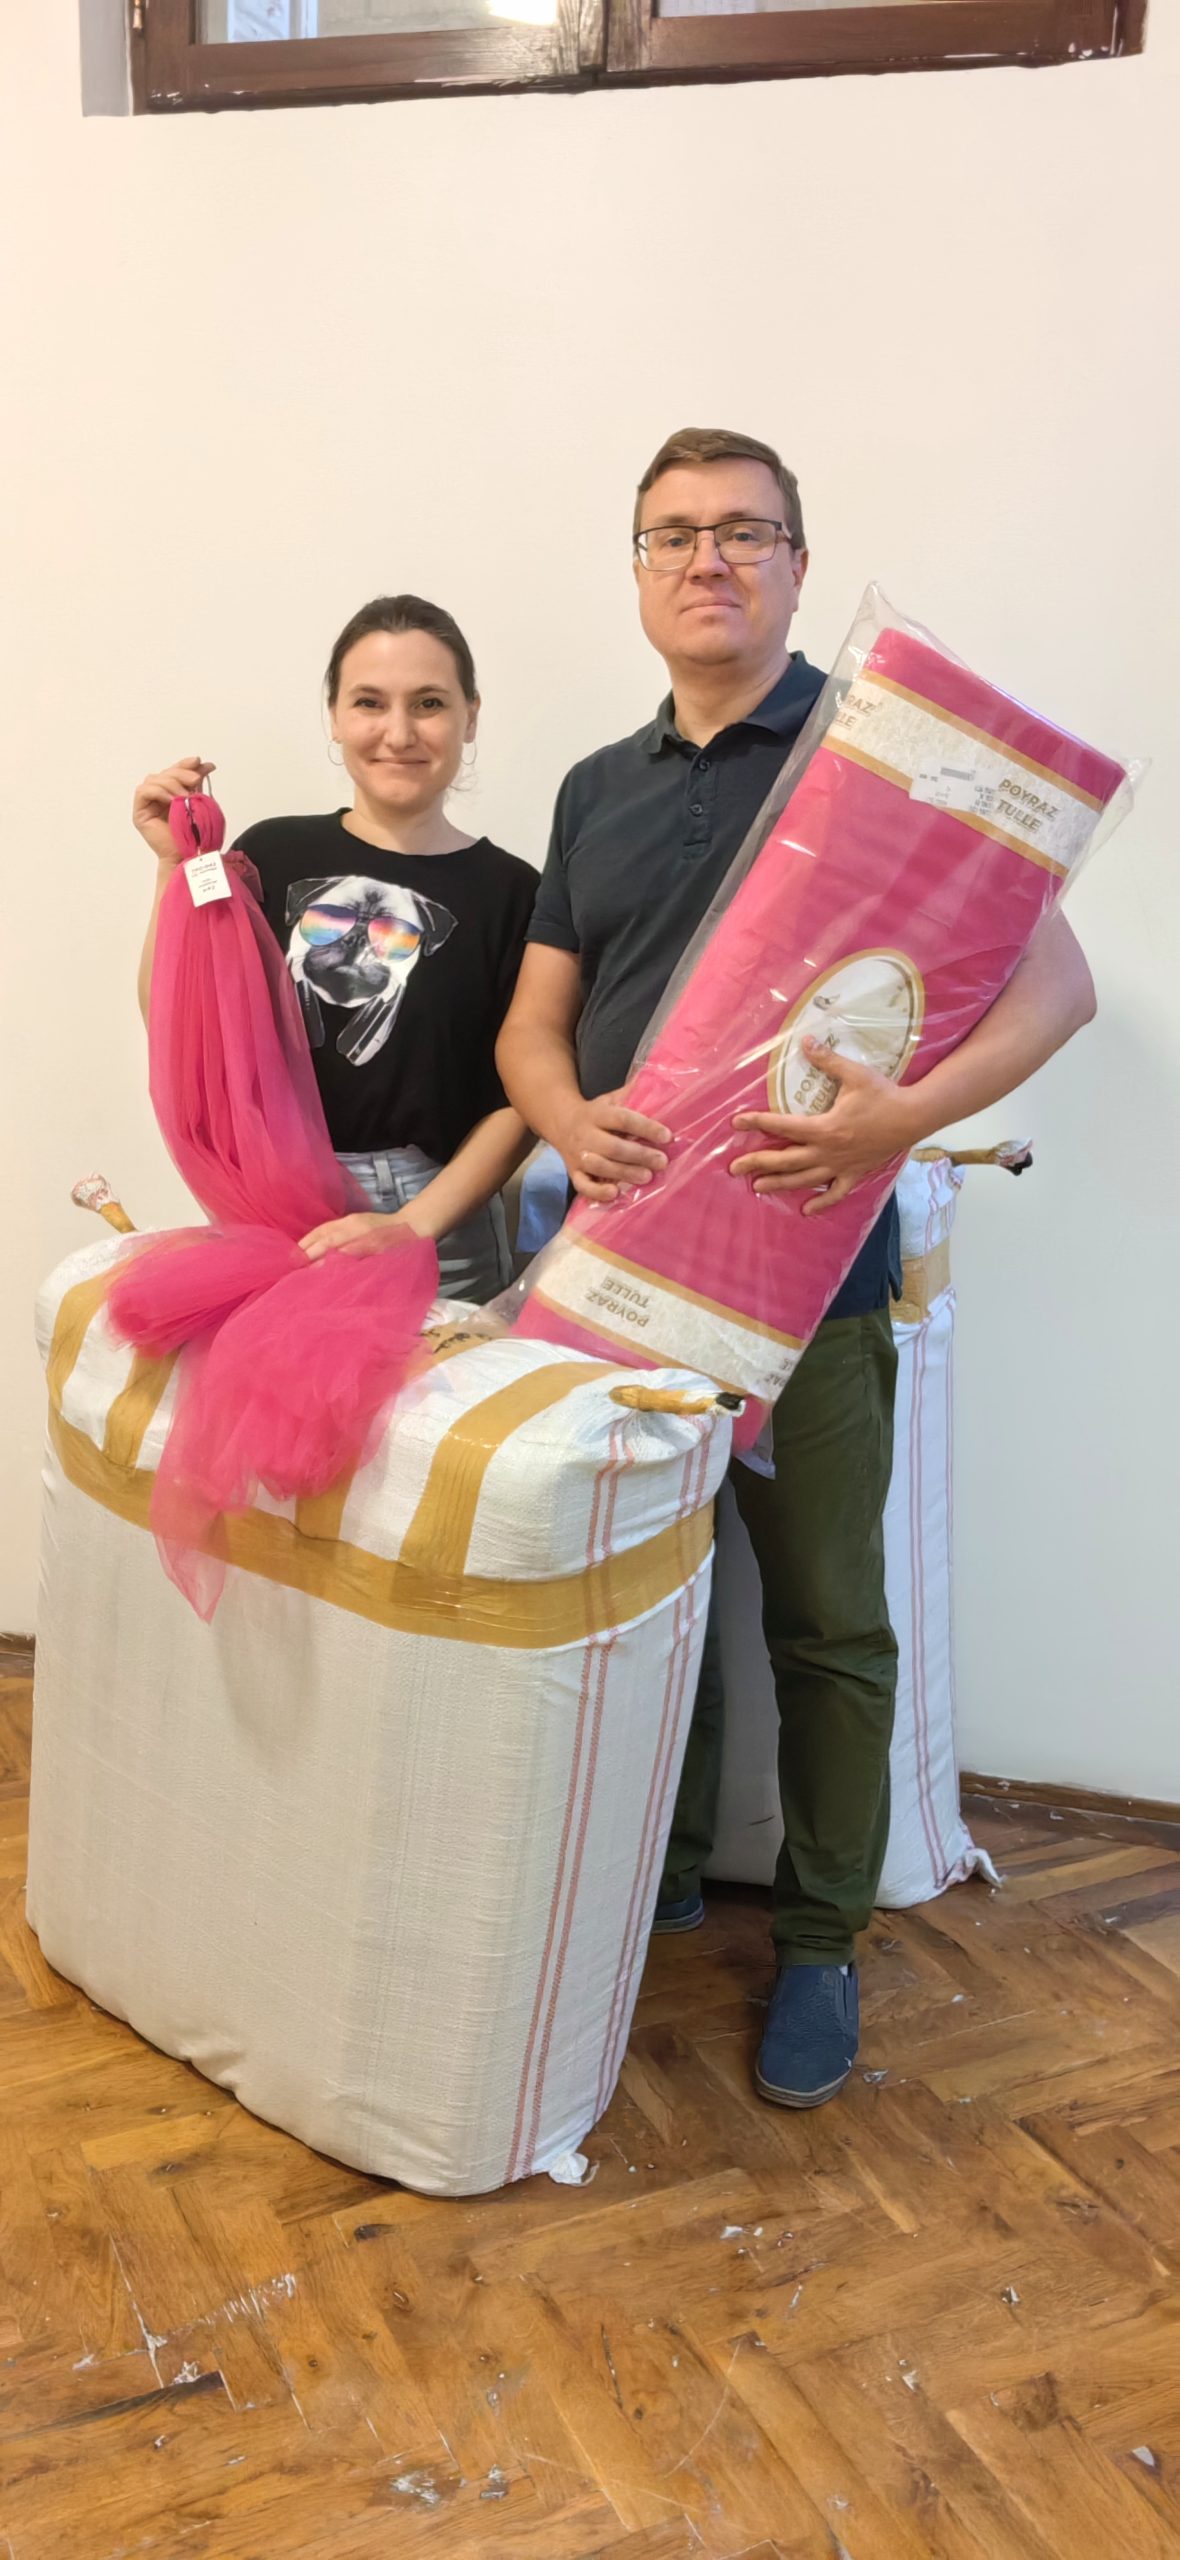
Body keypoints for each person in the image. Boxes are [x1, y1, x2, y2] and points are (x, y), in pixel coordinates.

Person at [496, 426, 1097, 2109]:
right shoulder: (595, 788)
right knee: (639, 1597)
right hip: (617, 1277)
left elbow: (1058, 991)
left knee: (828, 1617)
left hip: (813, 1280)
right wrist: (570, 1114)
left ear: (798, 565)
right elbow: (533, 1027)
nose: (710, 559)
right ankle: (663, 1878)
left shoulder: (883, 758)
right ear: (637, 571)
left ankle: (824, 1940)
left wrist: (895, 1123)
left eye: (746, 532)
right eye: (675, 533)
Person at [133, 595, 537, 1303]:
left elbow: (521, 1100)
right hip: (274, 1204)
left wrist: (414, 1223)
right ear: (335, 716)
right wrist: (175, 863)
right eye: (369, 702)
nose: (398, 733)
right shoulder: (271, 853)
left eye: (430, 703)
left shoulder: (515, 893)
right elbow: (183, 1024)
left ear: (470, 716)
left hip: (440, 1226)